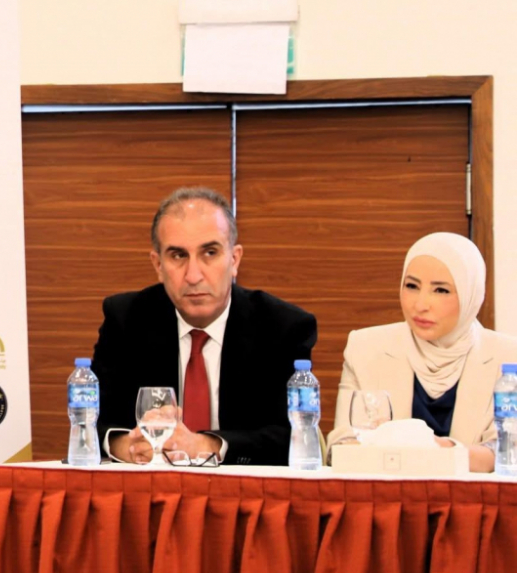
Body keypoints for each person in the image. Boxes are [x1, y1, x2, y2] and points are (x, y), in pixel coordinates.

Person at [94, 187, 318, 465]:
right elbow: (91, 418)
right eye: (178, 256)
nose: (193, 275)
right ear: (158, 265)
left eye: (210, 252)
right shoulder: (127, 319)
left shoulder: (282, 327)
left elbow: (295, 435)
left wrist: (207, 445)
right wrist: (126, 445)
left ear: (234, 260)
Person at [327, 233, 517, 472]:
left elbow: (508, 450)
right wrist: (441, 454)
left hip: (471, 495)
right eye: (412, 286)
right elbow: (340, 447)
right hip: (388, 493)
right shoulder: (366, 347)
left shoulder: (507, 356)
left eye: (441, 290)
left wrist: (435, 450)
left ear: (471, 294)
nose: (420, 305)